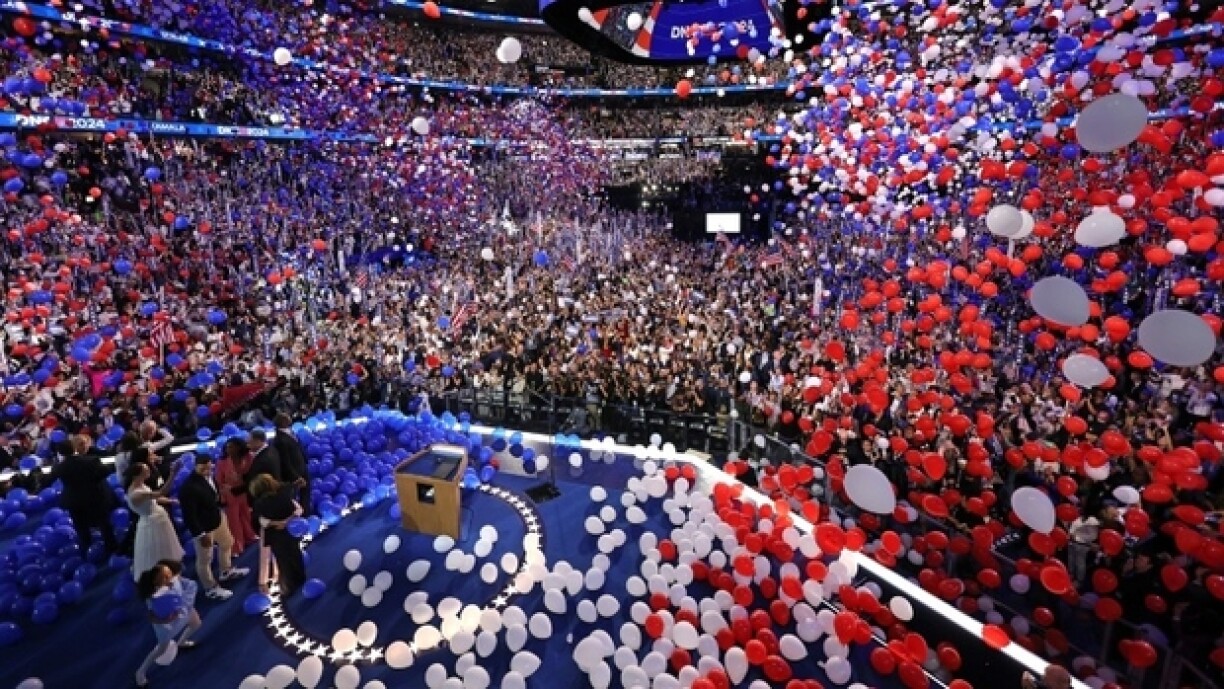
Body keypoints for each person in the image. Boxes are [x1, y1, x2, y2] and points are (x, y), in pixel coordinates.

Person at [178, 454, 249, 600]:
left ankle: (226, 571)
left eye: (209, 464)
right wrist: (200, 534)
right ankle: (210, 588)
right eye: (202, 465)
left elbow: (214, 496)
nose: (206, 467)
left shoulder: (211, 477)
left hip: (217, 518)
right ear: (195, 465)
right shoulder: (188, 488)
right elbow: (189, 515)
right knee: (205, 560)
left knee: (227, 542)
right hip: (204, 528)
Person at [134, 559, 202, 688]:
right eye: (164, 577)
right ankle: (141, 672)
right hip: (166, 626)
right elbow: (151, 617)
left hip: (185, 611)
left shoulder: (175, 580)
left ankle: (181, 642)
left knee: (196, 624)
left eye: (170, 574)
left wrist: (185, 602)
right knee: (161, 649)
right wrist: (165, 620)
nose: (169, 578)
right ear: (155, 582)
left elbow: (189, 585)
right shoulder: (153, 597)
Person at [50, 434, 118, 556]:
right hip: (95, 497)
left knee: (81, 527)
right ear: (74, 448)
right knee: (104, 523)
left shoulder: (59, 467)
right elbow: (105, 472)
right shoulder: (91, 460)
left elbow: (49, 478)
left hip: (74, 501)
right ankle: (111, 548)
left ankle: (85, 549)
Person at [124, 459, 185, 582]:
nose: (149, 471)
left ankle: (169, 569)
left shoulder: (141, 485)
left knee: (165, 546)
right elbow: (161, 492)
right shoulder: (135, 494)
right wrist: (173, 474)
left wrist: (170, 501)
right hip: (151, 524)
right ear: (137, 475)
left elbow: (154, 499)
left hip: (158, 519)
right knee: (156, 550)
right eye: (146, 470)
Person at [249, 474, 305, 598]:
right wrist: (288, 521)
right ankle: (300, 578)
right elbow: (298, 510)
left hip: (276, 536)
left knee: (283, 561)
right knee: (295, 554)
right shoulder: (285, 494)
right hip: (292, 531)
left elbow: (261, 521)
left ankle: (288, 588)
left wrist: (278, 523)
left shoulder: (260, 504)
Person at [217, 438, 258, 557]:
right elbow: (219, 481)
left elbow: (251, 473)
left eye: (231, 447)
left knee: (246, 514)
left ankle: (249, 536)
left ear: (238, 447)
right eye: (227, 447)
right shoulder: (222, 462)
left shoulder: (248, 457)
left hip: (243, 491)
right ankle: (237, 547)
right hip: (229, 493)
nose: (228, 449)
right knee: (234, 521)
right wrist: (224, 494)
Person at [271, 413, 310, 515]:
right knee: (292, 497)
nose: (290, 419)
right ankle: (297, 517)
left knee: (305, 494)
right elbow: (285, 461)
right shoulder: (279, 440)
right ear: (282, 422)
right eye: (287, 418)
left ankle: (306, 513)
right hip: (294, 473)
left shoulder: (290, 432)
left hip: (302, 468)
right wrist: (295, 477)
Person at [244, 429, 281, 494]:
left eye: (249, 442)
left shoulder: (263, 460)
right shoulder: (272, 449)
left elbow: (257, 481)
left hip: (265, 495)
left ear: (258, 441)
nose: (248, 445)